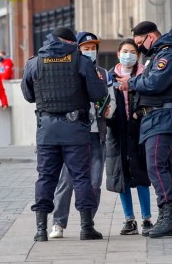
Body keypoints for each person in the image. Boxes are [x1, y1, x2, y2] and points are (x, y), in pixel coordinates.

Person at [21, 26, 108, 242]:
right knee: (81, 178)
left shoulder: (35, 62)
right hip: (75, 130)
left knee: (46, 178)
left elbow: (28, 95)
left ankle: (41, 230)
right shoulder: (81, 60)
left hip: (46, 130)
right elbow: (98, 93)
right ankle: (87, 227)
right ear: (70, 42)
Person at [116, 21, 172, 238]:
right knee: (161, 167)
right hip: (157, 118)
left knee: (156, 166)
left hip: (163, 117)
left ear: (151, 36)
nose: (139, 49)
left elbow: (154, 83)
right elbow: (149, 81)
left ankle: (169, 216)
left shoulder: (168, 54)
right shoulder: (160, 53)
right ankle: (167, 216)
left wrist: (131, 83)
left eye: (140, 43)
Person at [49, 31, 114, 239]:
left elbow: (110, 100)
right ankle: (58, 223)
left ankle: (88, 222)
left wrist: (109, 110)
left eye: (93, 48)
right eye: (85, 49)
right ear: (77, 50)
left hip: (97, 135)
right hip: (75, 136)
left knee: (94, 182)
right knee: (67, 181)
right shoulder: (71, 71)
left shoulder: (103, 74)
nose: (90, 52)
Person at [106, 39, 153, 236]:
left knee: (142, 175)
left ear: (138, 55)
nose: (128, 55)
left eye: (132, 51)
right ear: (118, 54)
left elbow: (152, 100)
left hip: (140, 131)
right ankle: (129, 220)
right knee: (121, 176)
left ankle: (147, 218)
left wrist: (139, 113)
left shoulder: (146, 74)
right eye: (125, 51)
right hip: (117, 132)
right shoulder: (108, 76)